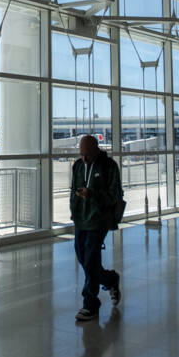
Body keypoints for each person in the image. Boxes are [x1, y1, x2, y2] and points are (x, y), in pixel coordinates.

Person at [70, 134, 122, 321]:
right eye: (81, 154)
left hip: (99, 219)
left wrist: (91, 194)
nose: (84, 158)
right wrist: (74, 211)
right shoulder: (77, 166)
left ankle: (90, 302)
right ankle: (109, 279)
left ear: (96, 150)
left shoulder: (109, 167)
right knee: (83, 257)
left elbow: (113, 195)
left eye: (88, 154)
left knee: (91, 257)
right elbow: (73, 191)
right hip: (81, 219)